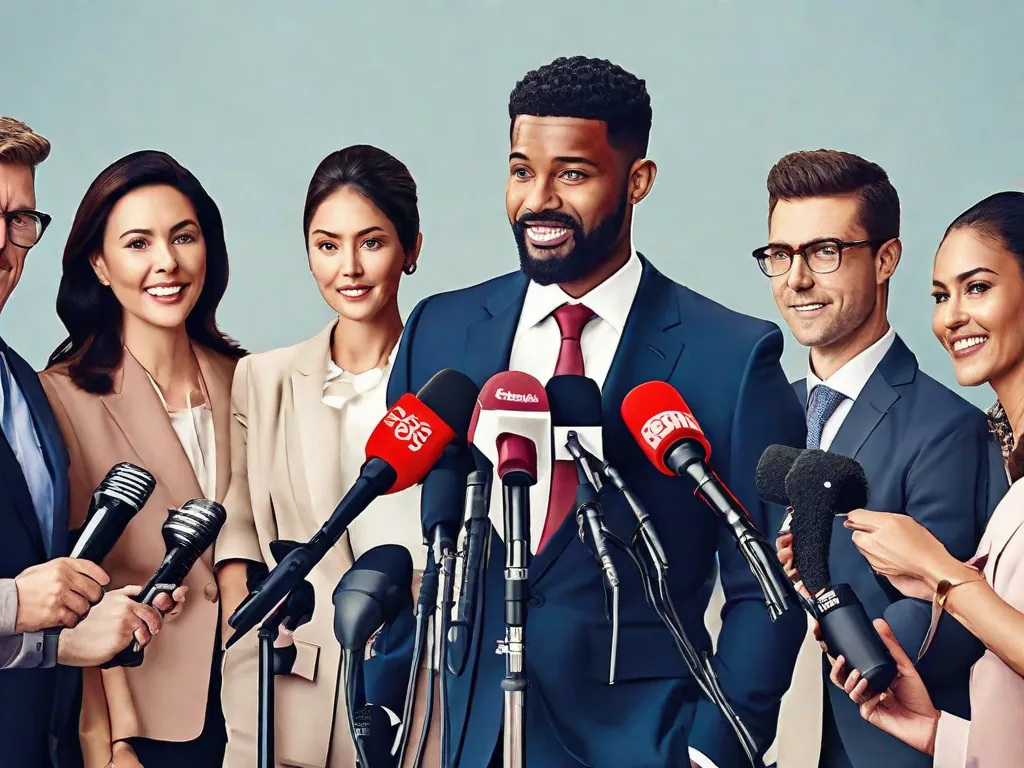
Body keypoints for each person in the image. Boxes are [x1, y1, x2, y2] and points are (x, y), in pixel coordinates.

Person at [387, 55, 808, 768]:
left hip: (643, 742)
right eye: (521, 171)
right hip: (465, 739)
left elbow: (766, 586)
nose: (538, 200)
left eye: (573, 174)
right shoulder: (440, 329)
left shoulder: (733, 357)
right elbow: (424, 534)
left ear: (638, 180)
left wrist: (709, 753)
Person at [760, 150, 1006, 768]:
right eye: (781, 255)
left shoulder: (951, 427)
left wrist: (832, 615)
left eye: (823, 251)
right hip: (765, 738)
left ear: (886, 259)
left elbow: (947, 622)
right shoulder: (763, 411)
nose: (797, 279)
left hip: (884, 742)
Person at [215, 144, 436, 768]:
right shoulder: (263, 379)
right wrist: (244, 635)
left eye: (372, 242)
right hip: (290, 690)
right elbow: (238, 525)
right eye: (328, 245)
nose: (350, 268)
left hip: (426, 690)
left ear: (412, 249)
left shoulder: (452, 386)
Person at [39, 149, 246, 768]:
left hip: (258, 702)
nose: (167, 262)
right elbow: (73, 588)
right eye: (138, 243)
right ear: (99, 265)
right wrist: (110, 743)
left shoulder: (251, 381)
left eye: (183, 237)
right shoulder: (61, 398)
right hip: (142, 721)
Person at [0, 117, 175, 768]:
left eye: (19, 219)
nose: (4, 243)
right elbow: (21, 599)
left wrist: (66, 633)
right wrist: (15, 603)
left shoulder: (23, 383)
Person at [828, 191, 1024, 767]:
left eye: (977, 287)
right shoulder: (1003, 457)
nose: (951, 317)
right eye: (941, 295)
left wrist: (935, 568)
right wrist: (940, 734)